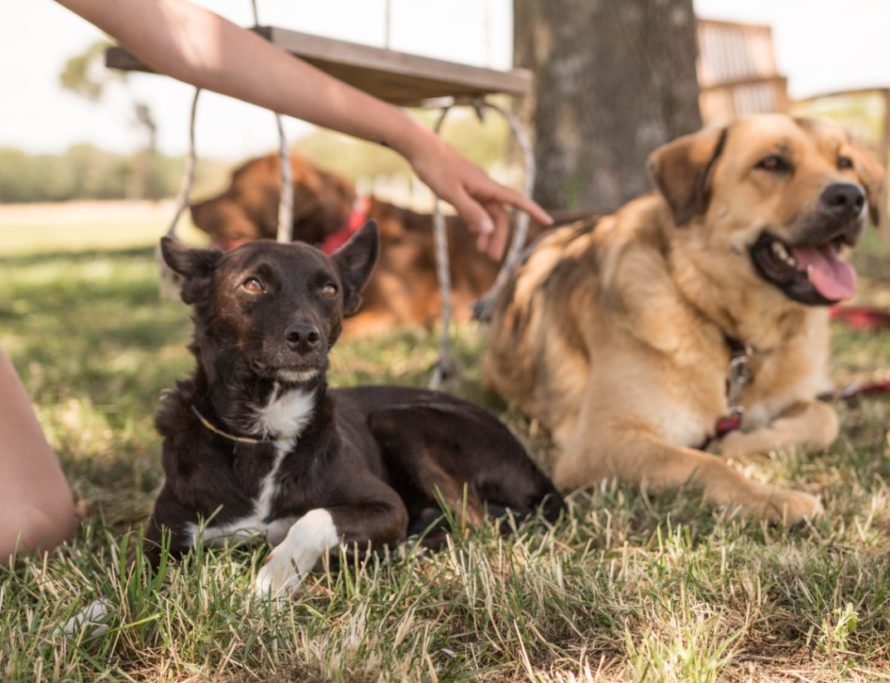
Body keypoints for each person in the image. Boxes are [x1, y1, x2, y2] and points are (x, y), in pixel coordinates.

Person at [1, 0, 552, 562]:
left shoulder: (335, 440)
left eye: (326, 293)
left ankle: (456, 519)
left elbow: (182, 32)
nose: (304, 326)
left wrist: (414, 139)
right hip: (241, 454)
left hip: (443, 457)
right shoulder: (192, 458)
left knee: (39, 526)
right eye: (256, 288)